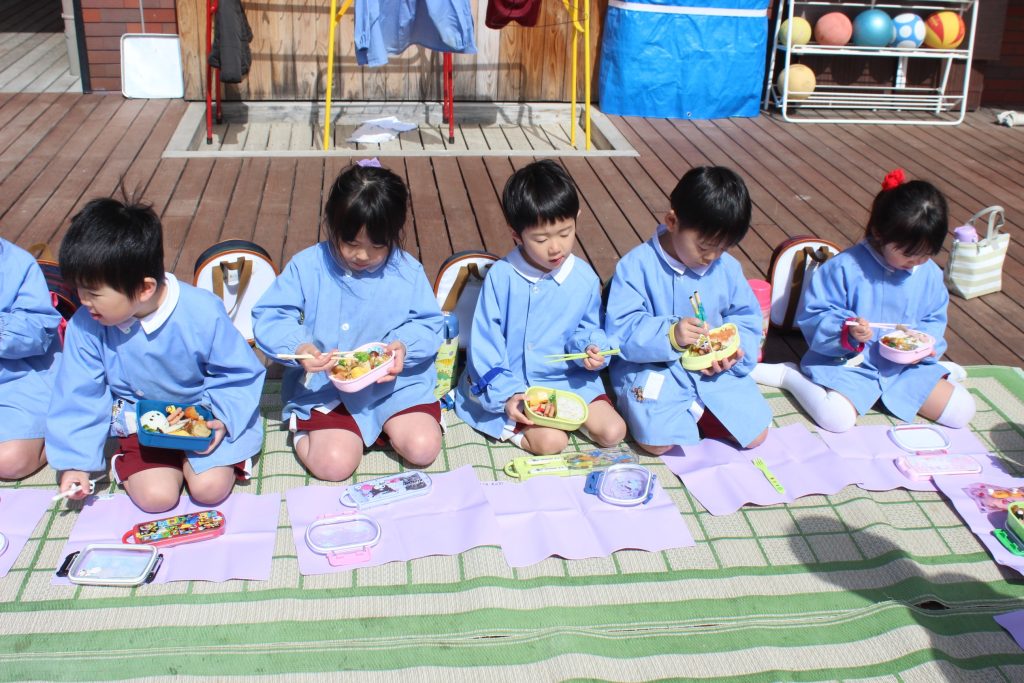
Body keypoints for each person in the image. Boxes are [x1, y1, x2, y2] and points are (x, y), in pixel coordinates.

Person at [47, 197, 266, 512]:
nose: (84, 301)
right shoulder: (86, 325)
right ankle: (129, 461)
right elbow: (78, 394)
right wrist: (76, 463)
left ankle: (221, 454)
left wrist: (222, 416)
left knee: (210, 489)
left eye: (93, 293)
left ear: (144, 288)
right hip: (140, 421)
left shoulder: (201, 310)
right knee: (157, 498)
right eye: (78, 290)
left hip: (203, 414)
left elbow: (238, 372)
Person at [252, 163, 444, 481]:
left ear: (395, 234)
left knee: (423, 448)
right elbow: (271, 315)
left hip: (395, 387)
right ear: (333, 224)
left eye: (377, 246)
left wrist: (404, 348)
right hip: (326, 388)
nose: (362, 256)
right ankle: (312, 431)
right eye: (351, 243)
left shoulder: (407, 270)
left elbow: (428, 323)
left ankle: (380, 428)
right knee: (334, 465)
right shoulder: (308, 265)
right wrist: (299, 347)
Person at [752, 169, 974, 433]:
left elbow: (933, 318)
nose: (916, 262)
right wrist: (847, 331)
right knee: (836, 419)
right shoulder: (845, 267)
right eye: (908, 253)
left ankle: (935, 373)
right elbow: (816, 315)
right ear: (880, 233)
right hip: (851, 364)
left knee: (962, 411)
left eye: (926, 254)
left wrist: (924, 346)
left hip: (904, 369)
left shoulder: (928, 274)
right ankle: (790, 376)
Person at [455, 159, 627, 455]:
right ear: (516, 234)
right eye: (541, 238)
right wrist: (506, 395)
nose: (556, 247)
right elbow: (486, 344)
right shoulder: (503, 276)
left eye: (565, 233)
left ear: (577, 219)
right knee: (552, 442)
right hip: (516, 383)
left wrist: (592, 349)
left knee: (614, 432)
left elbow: (589, 328)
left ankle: (569, 420)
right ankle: (522, 431)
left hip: (569, 379)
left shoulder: (583, 277)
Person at [605, 166, 771, 454]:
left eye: (722, 249)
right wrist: (670, 335)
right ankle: (691, 413)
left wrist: (732, 351)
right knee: (656, 443)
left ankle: (697, 411)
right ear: (672, 221)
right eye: (704, 247)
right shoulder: (636, 267)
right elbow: (621, 331)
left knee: (756, 434)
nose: (711, 258)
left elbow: (746, 317)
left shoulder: (726, 268)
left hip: (713, 372)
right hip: (654, 369)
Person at [0, 239, 62, 480]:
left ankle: (64, 429)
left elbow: (39, 331)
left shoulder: (16, 262)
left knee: (11, 461)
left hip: (17, 376)